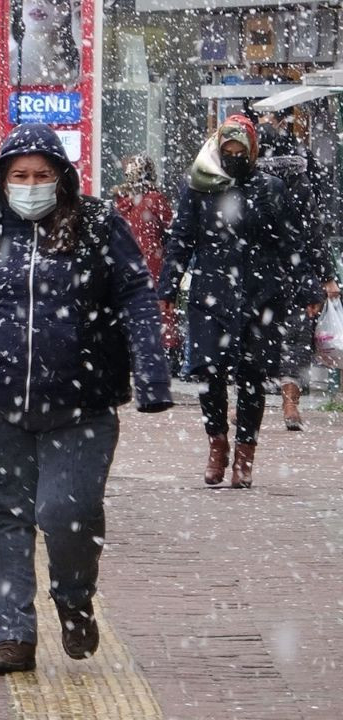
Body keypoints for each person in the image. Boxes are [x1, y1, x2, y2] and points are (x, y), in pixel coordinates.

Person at [0, 123, 172, 675]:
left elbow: (136, 297)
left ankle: (74, 598)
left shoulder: (97, 225)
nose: (31, 185)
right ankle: (12, 633)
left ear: (62, 178)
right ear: (2, 178)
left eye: (42, 175)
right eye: (20, 176)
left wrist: (152, 374)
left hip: (82, 404)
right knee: (3, 517)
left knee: (67, 513)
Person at [161, 115, 322, 488]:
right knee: (208, 372)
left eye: (240, 150)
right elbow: (181, 240)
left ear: (251, 151)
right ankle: (217, 442)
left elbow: (290, 243)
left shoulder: (271, 189)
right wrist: (167, 288)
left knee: (252, 378)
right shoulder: (199, 187)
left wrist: (309, 285)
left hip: (261, 296)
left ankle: (245, 454)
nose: (233, 156)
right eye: (227, 149)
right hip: (210, 296)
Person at [256, 115, 342, 430]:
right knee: (295, 340)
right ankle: (290, 405)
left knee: (256, 339)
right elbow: (314, 233)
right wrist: (325, 275)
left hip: (261, 273)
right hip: (295, 271)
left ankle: (250, 402)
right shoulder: (299, 181)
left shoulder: (250, 181)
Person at [110, 154, 180, 370]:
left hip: (127, 262)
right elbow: (171, 228)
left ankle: (132, 352)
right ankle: (162, 354)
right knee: (160, 308)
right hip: (152, 261)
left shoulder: (121, 202)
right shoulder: (155, 200)